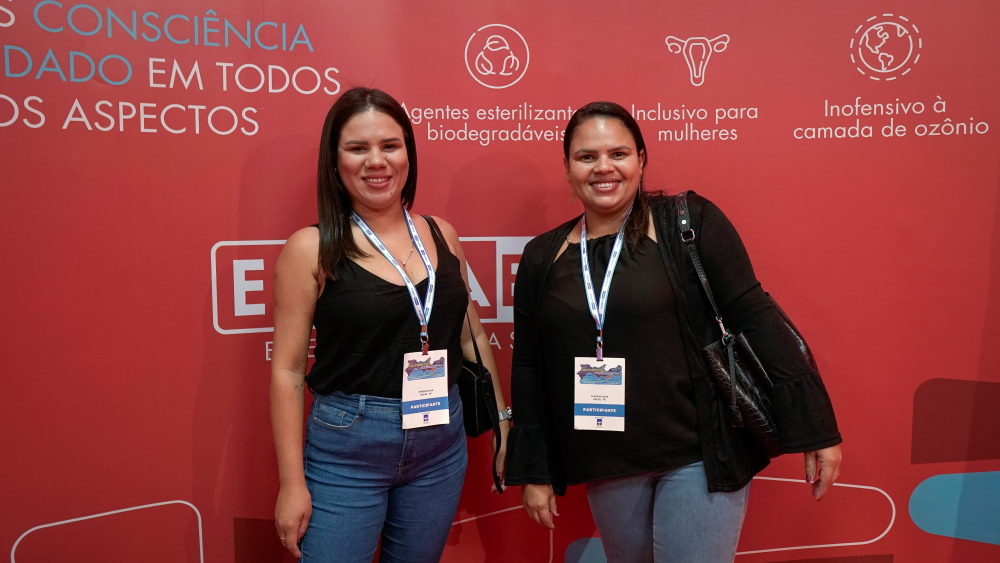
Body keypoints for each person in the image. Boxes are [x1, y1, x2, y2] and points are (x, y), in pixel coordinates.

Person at [504, 101, 842, 562]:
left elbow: (755, 316)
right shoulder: (543, 256)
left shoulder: (689, 223)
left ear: (641, 160)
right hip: (608, 459)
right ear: (567, 169)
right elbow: (529, 365)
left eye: (618, 153)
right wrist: (534, 468)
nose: (603, 167)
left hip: (699, 456)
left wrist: (816, 426)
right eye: (586, 157)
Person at [270, 87, 509, 562]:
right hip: (348, 449)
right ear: (334, 161)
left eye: (390, 145)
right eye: (358, 148)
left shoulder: (442, 234)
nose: (376, 161)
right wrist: (291, 483)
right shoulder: (311, 248)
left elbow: (472, 336)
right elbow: (288, 371)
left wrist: (503, 424)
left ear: (408, 154)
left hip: (440, 442)